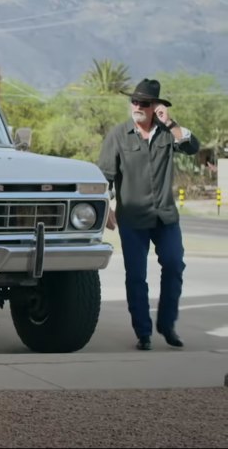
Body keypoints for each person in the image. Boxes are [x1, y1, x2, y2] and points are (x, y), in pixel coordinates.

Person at [98, 78, 200, 351]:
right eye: (134, 101)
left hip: (165, 216)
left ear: (156, 107)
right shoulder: (118, 136)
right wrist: (106, 205)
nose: (137, 106)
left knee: (174, 264)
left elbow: (193, 147)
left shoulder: (168, 134)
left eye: (144, 103)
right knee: (136, 276)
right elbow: (104, 176)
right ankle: (143, 332)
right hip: (132, 218)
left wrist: (173, 123)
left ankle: (167, 325)